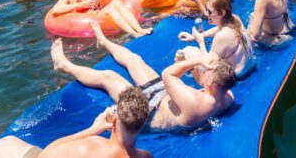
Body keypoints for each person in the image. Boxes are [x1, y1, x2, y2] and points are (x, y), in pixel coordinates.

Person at [51, 31, 235, 132]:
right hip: (165, 98)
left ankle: (63, 64)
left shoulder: (195, 102)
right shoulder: (227, 95)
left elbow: (168, 74)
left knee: (107, 76)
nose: (206, 71)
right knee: (135, 60)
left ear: (211, 83)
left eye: (209, 73)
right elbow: (190, 82)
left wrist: (197, 61)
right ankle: (104, 42)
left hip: (148, 110)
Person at [0, 86, 151, 158]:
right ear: (142, 124)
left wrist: (92, 129)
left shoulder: (91, 147)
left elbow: (48, 153)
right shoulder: (146, 157)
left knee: (4, 145)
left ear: (115, 120)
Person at [177, 0, 254, 78]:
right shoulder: (234, 19)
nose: (206, 14)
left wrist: (200, 41)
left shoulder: (222, 36)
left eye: (210, 12)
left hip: (233, 78)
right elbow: (219, 29)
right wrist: (199, 35)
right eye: (206, 10)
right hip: (248, 67)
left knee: (189, 51)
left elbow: (207, 65)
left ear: (222, 13)